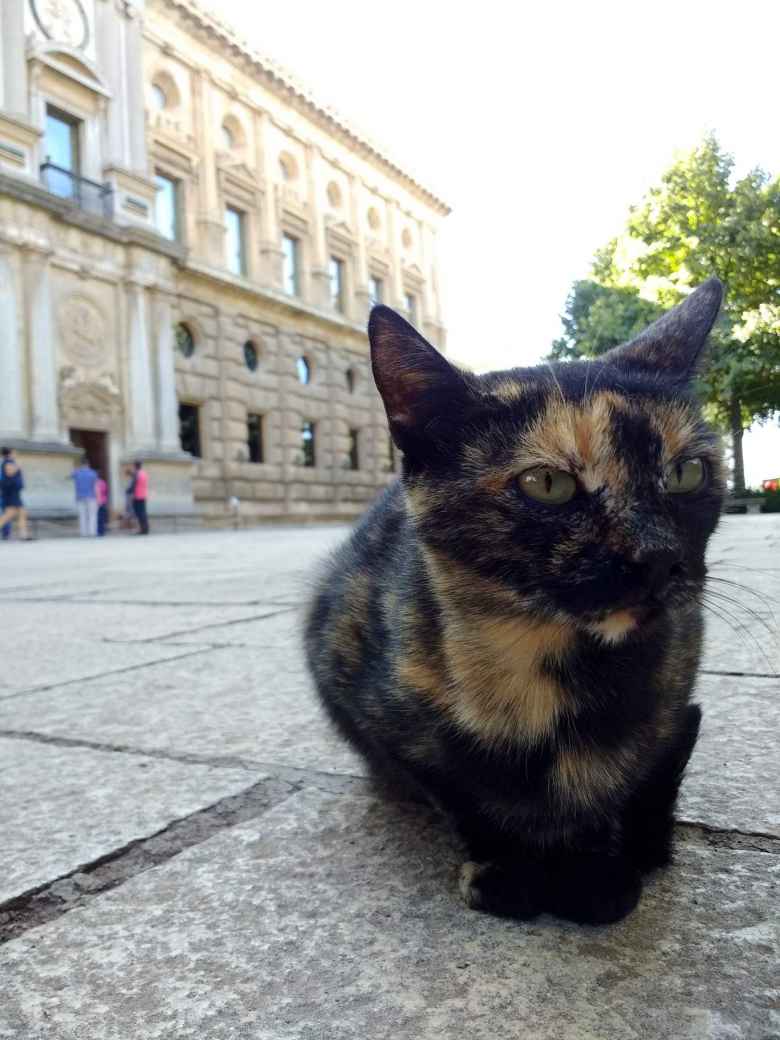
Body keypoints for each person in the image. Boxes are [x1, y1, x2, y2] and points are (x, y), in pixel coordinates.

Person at [0, 447, 31, 541]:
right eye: (14, 452)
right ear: (9, 453)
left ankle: (23, 535)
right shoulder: (7, 462)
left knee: (21, 513)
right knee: (9, 514)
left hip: (14, 491)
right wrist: (18, 467)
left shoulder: (9, 462)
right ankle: (23, 535)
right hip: (11, 492)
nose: (16, 453)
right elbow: (9, 473)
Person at [69, 456, 98, 537]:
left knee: (82, 516)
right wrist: (98, 498)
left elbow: (69, 477)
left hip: (80, 497)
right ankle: (92, 532)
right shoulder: (93, 473)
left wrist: (76, 469)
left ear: (81, 464)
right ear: (88, 464)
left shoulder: (76, 473)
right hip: (91, 497)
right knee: (92, 515)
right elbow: (95, 486)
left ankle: (83, 533)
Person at [132, 460, 149, 535]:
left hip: (137, 496)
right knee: (143, 513)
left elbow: (134, 484)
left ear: (135, 466)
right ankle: (145, 529)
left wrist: (128, 491)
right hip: (144, 495)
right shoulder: (144, 473)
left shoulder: (137, 474)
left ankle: (141, 529)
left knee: (139, 513)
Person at [96, 472, 109, 537]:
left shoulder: (96, 483)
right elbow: (106, 492)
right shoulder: (103, 482)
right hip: (104, 501)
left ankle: (99, 531)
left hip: (99, 502)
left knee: (99, 518)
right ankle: (103, 531)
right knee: (103, 517)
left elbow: (97, 494)